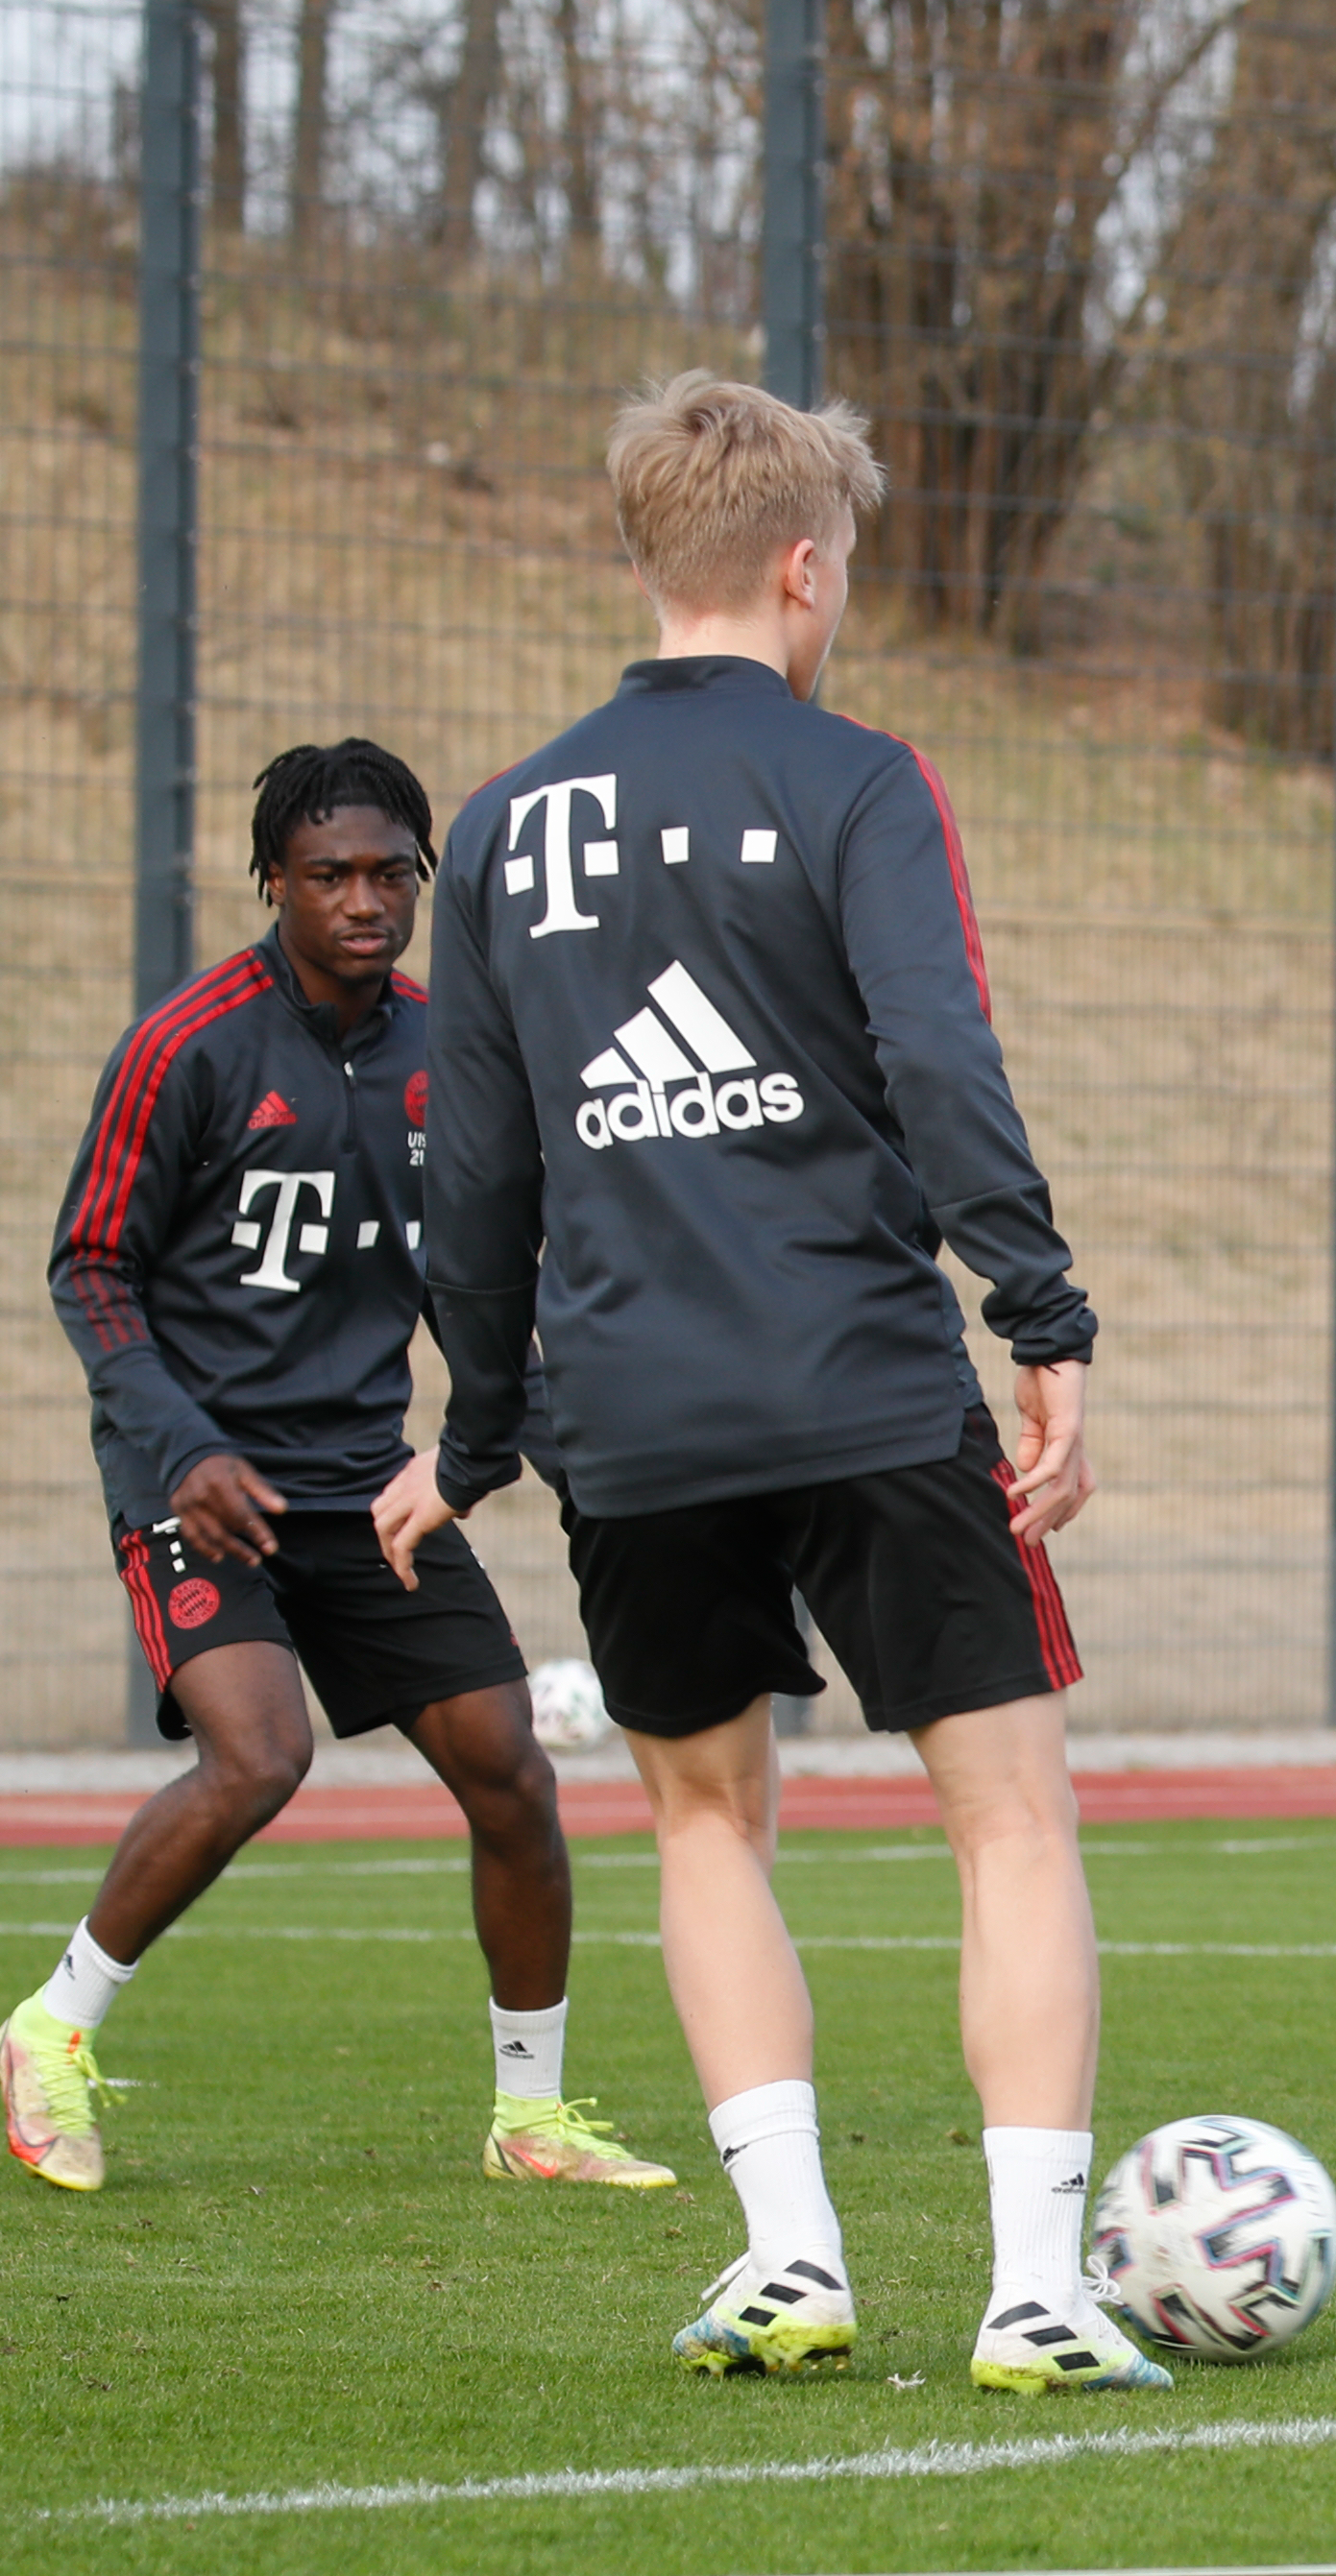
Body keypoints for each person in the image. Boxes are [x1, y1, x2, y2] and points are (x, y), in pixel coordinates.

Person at [372, 373, 1152, 2393]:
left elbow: (475, 1167)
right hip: (873, 1387)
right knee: (1006, 1822)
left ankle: (789, 2258)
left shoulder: (502, 827)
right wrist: (1041, 1317)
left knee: (707, 1825)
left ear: (653, 561)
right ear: (805, 569)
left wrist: (476, 1435)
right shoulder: (860, 778)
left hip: (631, 1421)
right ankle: (1036, 2292)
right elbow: (941, 1059)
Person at [12, 742, 669, 2201]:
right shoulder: (187, 1045)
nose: (364, 900)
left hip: (371, 1487)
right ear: (275, 884)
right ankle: (49, 2031)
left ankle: (531, 2116)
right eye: (331, 875)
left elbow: (479, 1292)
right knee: (260, 1755)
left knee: (509, 1770)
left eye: (390, 874)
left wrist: (573, 1465)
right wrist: (179, 1447)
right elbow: (90, 1270)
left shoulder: (452, 1057)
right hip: (201, 1486)